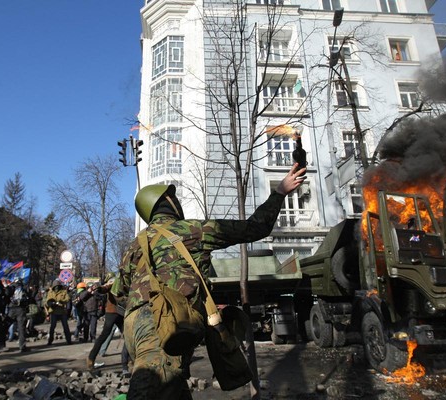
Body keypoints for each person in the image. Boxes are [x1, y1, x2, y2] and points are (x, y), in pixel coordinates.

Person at [111, 163, 306, 399]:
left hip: (135, 327)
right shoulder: (192, 230)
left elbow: (118, 293)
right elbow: (255, 227)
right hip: (164, 324)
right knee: (151, 384)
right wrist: (279, 192)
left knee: (173, 387)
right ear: (169, 204)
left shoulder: (135, 244)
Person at [86, 272, 129, 374]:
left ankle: (127, 363)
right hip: (112, 312)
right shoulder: (114, 282)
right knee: (104, 335)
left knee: (129, 337)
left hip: (122, 312)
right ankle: (91, 359)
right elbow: (106, 288)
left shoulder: (126, 282)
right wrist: (98, 288)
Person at [6, 278, 30, 352]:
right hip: (21, 309)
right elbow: (29, 295)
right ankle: (22, 346)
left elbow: (6, 295)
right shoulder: (23, 287)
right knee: (21, 328)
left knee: (5, 325)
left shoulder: (11, 287)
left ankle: (1, 344)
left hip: (11, 308)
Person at [45, 279, 72, 345]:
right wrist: (52, 303)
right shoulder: (50, 292)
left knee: (65, 326)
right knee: (52, 327)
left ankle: (69, 340)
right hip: (53, 311)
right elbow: (47, 301)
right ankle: (50, 340)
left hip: (62, 311)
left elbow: (67, 299)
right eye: (55, 286)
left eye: (58, 286)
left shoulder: (64, 291)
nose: (57, 287)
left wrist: (61, 301)